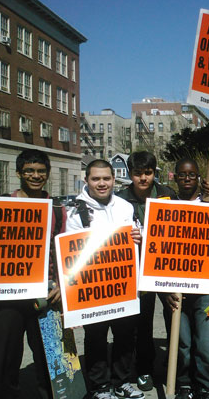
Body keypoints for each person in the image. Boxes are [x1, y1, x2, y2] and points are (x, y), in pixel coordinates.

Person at [66, 160, 144, 399]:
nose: (102, 183)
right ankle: (100, 386)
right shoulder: (75, 211)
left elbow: (134, 240)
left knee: (124, 335)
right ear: (87, 180)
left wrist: (137, 236)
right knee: (96, 336)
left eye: (106, 178)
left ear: (113, 179)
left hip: (124, 284)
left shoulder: (124, 206)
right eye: (96, 179)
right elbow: (72, 252)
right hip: (94, 286)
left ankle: (121, 382)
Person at [0, 149, 66, 399]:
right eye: (29, 171)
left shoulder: (57, 209)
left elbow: (63, 251)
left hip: (46, 294)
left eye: (41, 171)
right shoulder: (2, 205)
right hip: (7, 296)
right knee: (3, 358)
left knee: (52, 357)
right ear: (18, 173)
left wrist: (62, 284)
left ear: (47, 174)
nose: (36, 176)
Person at [165, 157, 209, 399]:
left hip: (208, 288)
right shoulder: (166, 207)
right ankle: (183, 384)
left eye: (191, 174)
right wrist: (164, 290)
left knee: (207, 342)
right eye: (182, 175)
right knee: (181, 343)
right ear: (175, 177)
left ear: (199, 177)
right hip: (175, 289)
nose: (186, 179)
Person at [116, 151, 178, 392]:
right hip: (136, 270)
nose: (143, 178)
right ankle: (144, 368)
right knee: (142, 322)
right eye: (137, 174)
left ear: (155, 173)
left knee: (174, 314)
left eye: (148, 173)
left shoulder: (167, 195)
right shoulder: (120, 198)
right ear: (130, 174)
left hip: (165, 267)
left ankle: (174, 361)